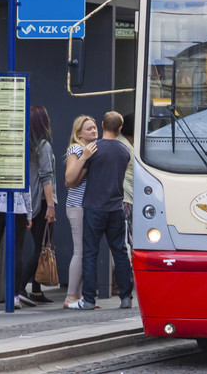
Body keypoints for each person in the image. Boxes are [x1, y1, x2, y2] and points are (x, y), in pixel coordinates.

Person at [66, 112, 134, 310]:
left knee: (90, 253)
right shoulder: (124, 151)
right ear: (120, 129)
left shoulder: (93, 149)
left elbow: (74, 178)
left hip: (94, 207)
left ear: (103, 124)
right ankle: (126, 297)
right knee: (120, 252)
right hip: (116, 207)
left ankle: (88, 298)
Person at [0, 138, 35, 309]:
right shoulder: (20, 152)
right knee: (16, 252)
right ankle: (16, 296)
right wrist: (29, 212)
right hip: (17, 207)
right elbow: (26, 184)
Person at [22, 106, 57, 303]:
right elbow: (46, 177)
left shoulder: (29, 145)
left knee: (39, 245)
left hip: (31, 200)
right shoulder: (44, 146)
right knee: (42, 248)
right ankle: (20, 286)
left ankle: (36, 289)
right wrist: (51, 206)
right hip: (43, 201)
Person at [63, 115, 97, 309]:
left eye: (94, 128)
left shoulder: (89, 149)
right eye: (89, 129)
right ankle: (71, 296)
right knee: (80, 251)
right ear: (79, 134)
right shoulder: (77, 149)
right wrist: (84, 157)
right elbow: (69, 178)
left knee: (84, 251)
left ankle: (79, 294)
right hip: (77, 206)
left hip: (81, 205)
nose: (93, 131)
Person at [119, 113, 136, 256]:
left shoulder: (123, 143)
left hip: (125, 195)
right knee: (129, 236)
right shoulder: (126, 147)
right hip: (126, 196)